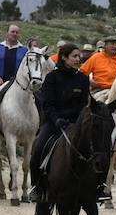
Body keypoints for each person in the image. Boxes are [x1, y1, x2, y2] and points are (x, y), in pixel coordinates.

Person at [27, 44, 91, 202]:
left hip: (76, 123)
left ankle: (98, 186)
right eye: (75, 56)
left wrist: (77, 121)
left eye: (79, 57)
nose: (78, 59)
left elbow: (84, 103)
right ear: (64, 57)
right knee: (38, 148)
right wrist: (57, 120)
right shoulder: (51, 78)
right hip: (54, 123)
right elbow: (47, 104)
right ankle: (36, 186)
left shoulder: (83, 79)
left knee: (97, 147)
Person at [0, 24, 29, 142]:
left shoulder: (24, 50)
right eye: (12, 32)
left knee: (36, 100)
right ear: (7, 33)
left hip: (18, 84)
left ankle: (34, 129)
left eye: (17, 32)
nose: (15, 34)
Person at [80, 35, 116, 101]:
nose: (115, 46)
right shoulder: (96, 57)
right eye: (112, 44)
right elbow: (81, 72)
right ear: (105, 46)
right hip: (98, 90)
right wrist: (89, 81)